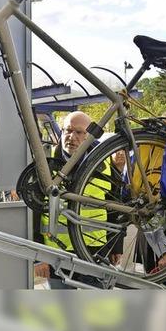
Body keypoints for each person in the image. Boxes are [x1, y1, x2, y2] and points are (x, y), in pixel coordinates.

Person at [33, 111, 121, 289]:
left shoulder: (104, 164)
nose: (71, 137)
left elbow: (116, 208)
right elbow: (34, 212)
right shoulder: (46, 166)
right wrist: (39, 256)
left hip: (96, 252)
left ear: (89, 135)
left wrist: (116, 246)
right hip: (57, 255)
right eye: (67, 130)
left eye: (79, 132)